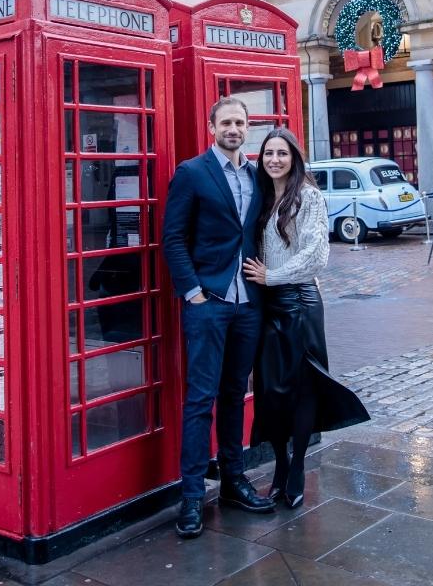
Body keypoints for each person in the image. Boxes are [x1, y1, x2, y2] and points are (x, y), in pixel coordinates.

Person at [163, 97, 275, 539]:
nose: (234, 128)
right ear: (212, 127)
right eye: (226, 122)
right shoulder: (192, 173)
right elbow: (173, 238)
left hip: (248, 303)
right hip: (207, 302)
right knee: (200, 400)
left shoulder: (256, 174)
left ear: (248, 128)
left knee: (234, 396)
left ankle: (233, 481)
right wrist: (192, 293)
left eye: (240, 122)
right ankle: (191, 496)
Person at [243, 128, 370, 508]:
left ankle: (297, 465)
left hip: (299, 302)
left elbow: (317, 256)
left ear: (294, 158)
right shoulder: (262, 195)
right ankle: (280, 465)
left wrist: (272, 275)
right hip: (268, 305)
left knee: (303, 389)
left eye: (282, 153)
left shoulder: (309, 197)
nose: (275, 160)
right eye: (268, 154)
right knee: (271, 390)